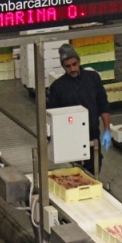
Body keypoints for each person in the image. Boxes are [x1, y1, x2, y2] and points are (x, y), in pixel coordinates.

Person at [47, 43, 111, 174]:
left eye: (74, 64)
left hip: (92, 133)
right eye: (68, 66)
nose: (72, 69)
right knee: (74, 171)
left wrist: (107, 130)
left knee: (94, 166)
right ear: (62, 66)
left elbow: (103, 104)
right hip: (71, 135)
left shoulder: (93, 78)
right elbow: (52, 116)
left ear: (79, 61)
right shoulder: (58, 87)